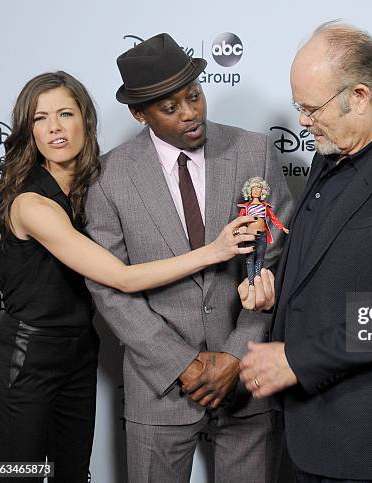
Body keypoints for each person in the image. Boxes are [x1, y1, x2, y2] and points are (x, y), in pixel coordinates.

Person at [0, 71, 258, 483]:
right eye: (41, 118)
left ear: (85, 120)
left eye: (65, 113)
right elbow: (121, 278)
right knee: (16, 476)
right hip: (27, 358)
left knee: (73, 473)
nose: (55, 128)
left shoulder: (95, 184)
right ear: (29, 130)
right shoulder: (31, 203)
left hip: (78, 355)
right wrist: (213, 252)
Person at [239, 21, 372, 482]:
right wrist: (279, 290)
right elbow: (327, 260)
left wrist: (297, 359)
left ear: (359, 95)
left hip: (361, 437)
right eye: (300, 106)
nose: (302, 121)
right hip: (303, 425)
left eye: (311, 107)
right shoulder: (330, 151)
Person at [84, 33, 292, 483]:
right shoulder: (106, 177)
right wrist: (183, 363)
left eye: (193, 95)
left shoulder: (253, 151)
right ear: (139, 114)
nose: (191, 113)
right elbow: (109, 287)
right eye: (170, 107)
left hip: (248, 377)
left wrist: (236, 354)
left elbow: (277, 257)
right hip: (158, 386)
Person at [237, 176, 289, 285]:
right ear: (249, 192)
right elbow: (239, 221)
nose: (256, 191)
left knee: (260, 260)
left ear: (262, 191)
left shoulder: (265, 207)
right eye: (253, 189)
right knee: (249, 260)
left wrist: (282, 227)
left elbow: (274, 218)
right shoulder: (245, 207)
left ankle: (257, 281)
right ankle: (251, 283)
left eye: (258, 188)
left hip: (262, 235)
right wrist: (238, 232)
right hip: (249, 236)